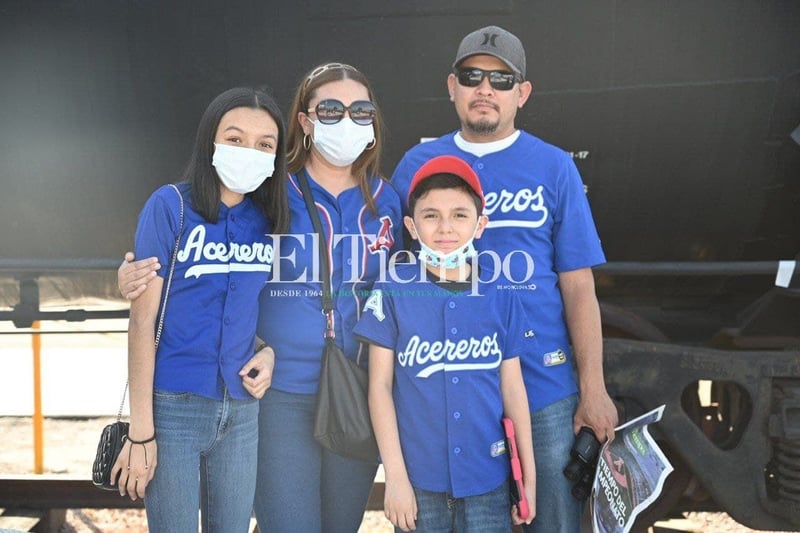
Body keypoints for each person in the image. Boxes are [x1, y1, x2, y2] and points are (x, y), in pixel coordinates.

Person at [118, 62, 403, 533]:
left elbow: (423, 278)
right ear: (306, 121)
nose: (346, 121)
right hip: (276, 393)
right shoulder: (272, 194)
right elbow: (206, 271)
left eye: (360, 110)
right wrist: (129, 274)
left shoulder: (388, 200)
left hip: (357, 389)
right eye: (330, 110)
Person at [390, 26, 619, 532]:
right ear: (452, 86)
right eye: (472, 76)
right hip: (450, 393)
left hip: (542, 385)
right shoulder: (416, 166)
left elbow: (579, 287)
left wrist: (593, 388)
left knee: (552, 521)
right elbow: (393, 273)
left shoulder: (554, 167)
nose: (485, 89)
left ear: (522, 92)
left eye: (500, 78)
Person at [110, 87, 290, 532]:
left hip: (242, 410)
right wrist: (141, 431)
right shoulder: (169, 206)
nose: (249, 151)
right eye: (234, 138)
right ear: (210, 140)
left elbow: (250, 314)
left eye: (264, 145)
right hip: (173, 409)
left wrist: (267, 353)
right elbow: (142, 321)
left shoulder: (267, 220)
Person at [354, 155, 536, 532]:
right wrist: (396, 478)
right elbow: (380, 387)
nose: (445, 228)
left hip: (488, 477)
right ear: (412, 225)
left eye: (459, 214)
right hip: (420, 482)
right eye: (431, 215)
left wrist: (527, 480)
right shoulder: (394, 288)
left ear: (480, 224)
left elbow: (513, 388)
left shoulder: (499, 292)